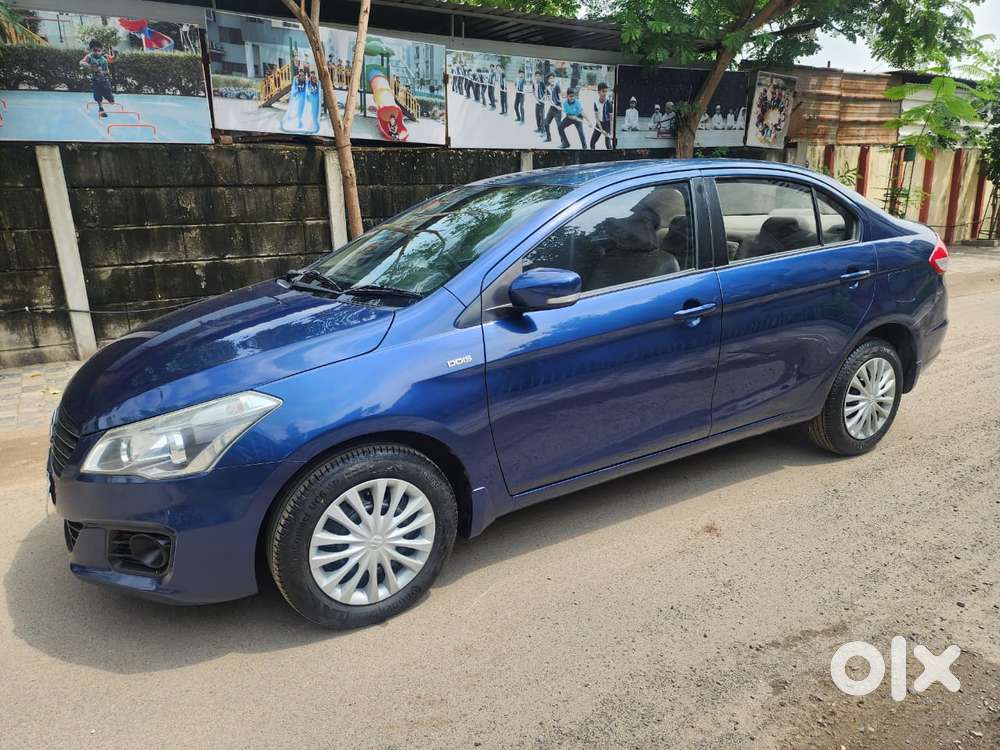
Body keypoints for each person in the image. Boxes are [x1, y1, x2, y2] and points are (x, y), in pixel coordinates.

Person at [79, 39, 117, 118]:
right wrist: (90, 66)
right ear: (92, 50)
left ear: (101, 50)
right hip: (95, 79)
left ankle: (110, 99)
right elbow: (81, 62)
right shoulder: (90, 56)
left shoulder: (104, 56)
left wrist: (115, 55)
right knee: (97, 94)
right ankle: (101, 108)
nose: (96, 52)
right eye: (94, 50)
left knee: (108, 93)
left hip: (105, 78)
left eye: (98, 50)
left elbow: (112, 60)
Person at [590, 81, 612, 150]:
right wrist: (601, 130)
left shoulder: (609, 103)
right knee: (592, 143)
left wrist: (610, 132)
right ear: (599, 92)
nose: (605, 93)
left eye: (606, 91)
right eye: (603, 91)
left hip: (608, 124)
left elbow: (611, 119)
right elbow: (596, 118)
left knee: (608, 144)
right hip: (599, 123)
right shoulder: (595, 103)